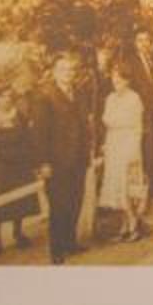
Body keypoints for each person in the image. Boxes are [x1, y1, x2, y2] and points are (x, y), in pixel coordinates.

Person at [32, 53, 96, 262]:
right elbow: (40, 134)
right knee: (58, 205)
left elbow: (85, 125)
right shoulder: (45, 97)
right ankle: (57, 249)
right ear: (54, 72)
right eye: (63, 69)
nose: (69, 73)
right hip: (57, 162)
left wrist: (88, 152)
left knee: (75, 202)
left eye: (71, 69)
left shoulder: (79, 93)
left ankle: (70, 242)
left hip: (78, 159)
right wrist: (43, 163)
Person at [98, 51, 149, 242]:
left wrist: (134, 151)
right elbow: (107, 120)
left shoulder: (134, 99)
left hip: (128, 145)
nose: (116, 83)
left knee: (127, 187)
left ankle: (133, 224)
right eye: (114, 79)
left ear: (127, 80)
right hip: (114, 144)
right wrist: (106, 143)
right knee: (116, 187)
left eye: (120, 80)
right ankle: (124, 226)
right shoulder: (110, 98)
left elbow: (136, 127)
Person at [0, 90, 39, 252]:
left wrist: (31, 160)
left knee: (20, 199)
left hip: (19, 164)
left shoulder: (19, 116)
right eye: (2, 96)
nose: (6, 99)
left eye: (9, 96)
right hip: (1, 165)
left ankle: (18, 232)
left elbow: (28, 137)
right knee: (0, 200)